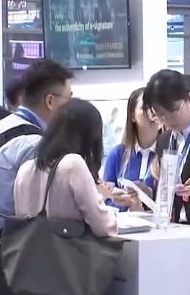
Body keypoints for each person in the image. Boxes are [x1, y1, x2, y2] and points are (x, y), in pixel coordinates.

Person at [0, 59, 74, 295]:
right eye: (69, 99)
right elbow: (45, 213)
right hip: (8, 267)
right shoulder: (35, 145)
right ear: (51, 101)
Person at [14, 98, 117, 236]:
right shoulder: (72, 164)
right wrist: (100, 196)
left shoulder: (25, 169)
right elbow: (106, 227)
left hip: (30, 248)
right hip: (69, 249)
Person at [142, 69, 190, 225]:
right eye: (160, 114)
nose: (168, 119)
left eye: (173, 111)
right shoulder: (164, 141)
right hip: (176, 227)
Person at [102, 87, 162, 211]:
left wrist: (149, 197)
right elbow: (106, 199)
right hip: (125, 222)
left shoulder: (169, 154)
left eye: (156, 106)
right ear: (132, 116)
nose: (153, 112)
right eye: (145, 107)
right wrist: (127, 205)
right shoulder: (117, 154)